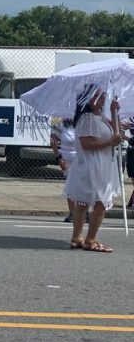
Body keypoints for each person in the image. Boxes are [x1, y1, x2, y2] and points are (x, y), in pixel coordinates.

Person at [64, 85, 122, 253]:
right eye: (97, 95)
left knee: (83, 202)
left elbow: (116, 135)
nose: (102, 98)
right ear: (87, 99)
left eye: (102, 95)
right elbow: (87, 144)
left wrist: (114, 113)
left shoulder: (99, 117)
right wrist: (110, 142)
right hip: (93, 165)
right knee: (100, 203)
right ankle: (90, 240)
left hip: (98, 164)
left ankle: (77, 237)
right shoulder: (88, 118)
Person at [51, 117, 78, 222]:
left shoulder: (83, 123)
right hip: (67, 161)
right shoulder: (61, 125)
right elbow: (53, 140)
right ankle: (72, 213)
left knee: (82, 186)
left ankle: (83, 212)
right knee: (70, 186)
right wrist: (58, 157)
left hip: (81, 160)